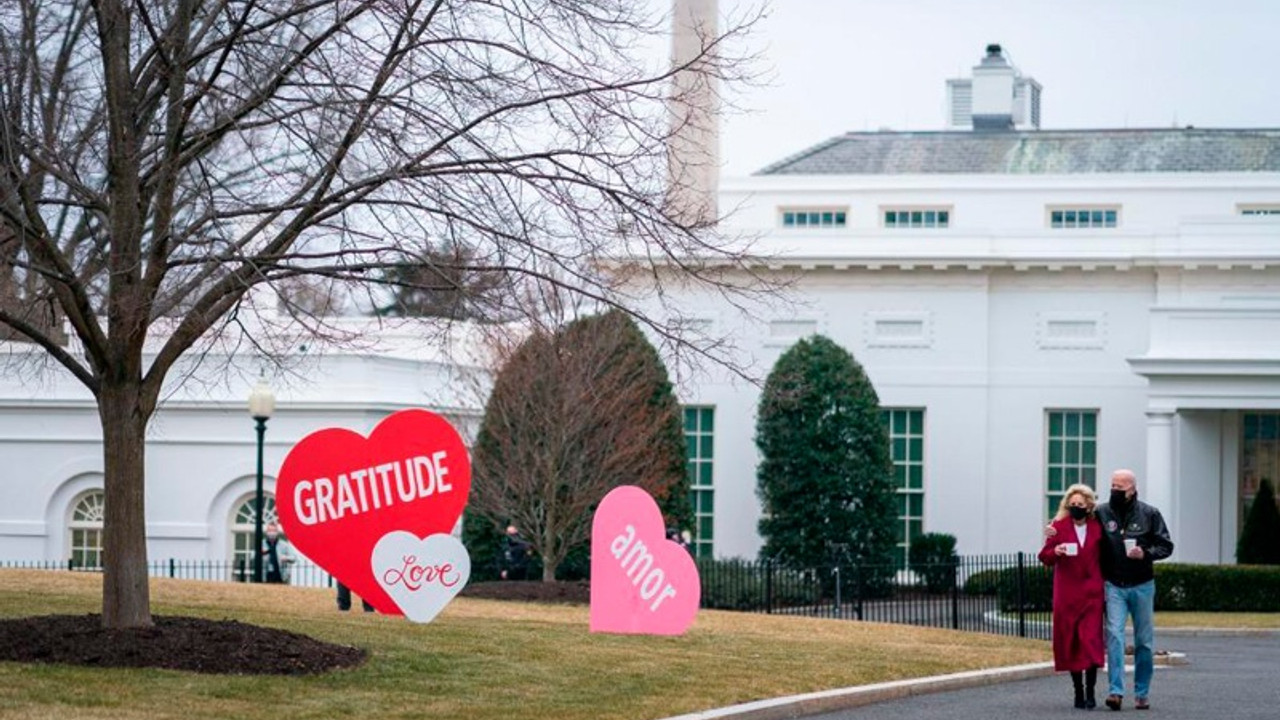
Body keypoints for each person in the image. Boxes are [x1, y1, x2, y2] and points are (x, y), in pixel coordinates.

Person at [1096, 469, 1174, 711]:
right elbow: (1082, 530)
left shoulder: (1149, 513)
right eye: (1113, 486)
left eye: (1120, 487)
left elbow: (1166, 546)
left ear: (1132, 490)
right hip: (1114, 584)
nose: (1115, 491)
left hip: (1142, 585)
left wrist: (1145, 553)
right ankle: (1115, 692)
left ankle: (1142, 692)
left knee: (1144, 642)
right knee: (1115, 636)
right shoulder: (1102, 512)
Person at [1038, 483, 1106, 710]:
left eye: (1081, 504)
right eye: (1073, 504)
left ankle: (1091, 692)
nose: (1076, 507)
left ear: (1089, 506)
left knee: (1091, 642)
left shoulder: (1098, 528)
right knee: (1072, 642)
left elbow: (1108, 554)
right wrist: (1055, 551)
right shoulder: (1058, 527)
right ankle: (1078, 691)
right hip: (1067, 594)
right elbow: (1044, 556)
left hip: (1092, 594)